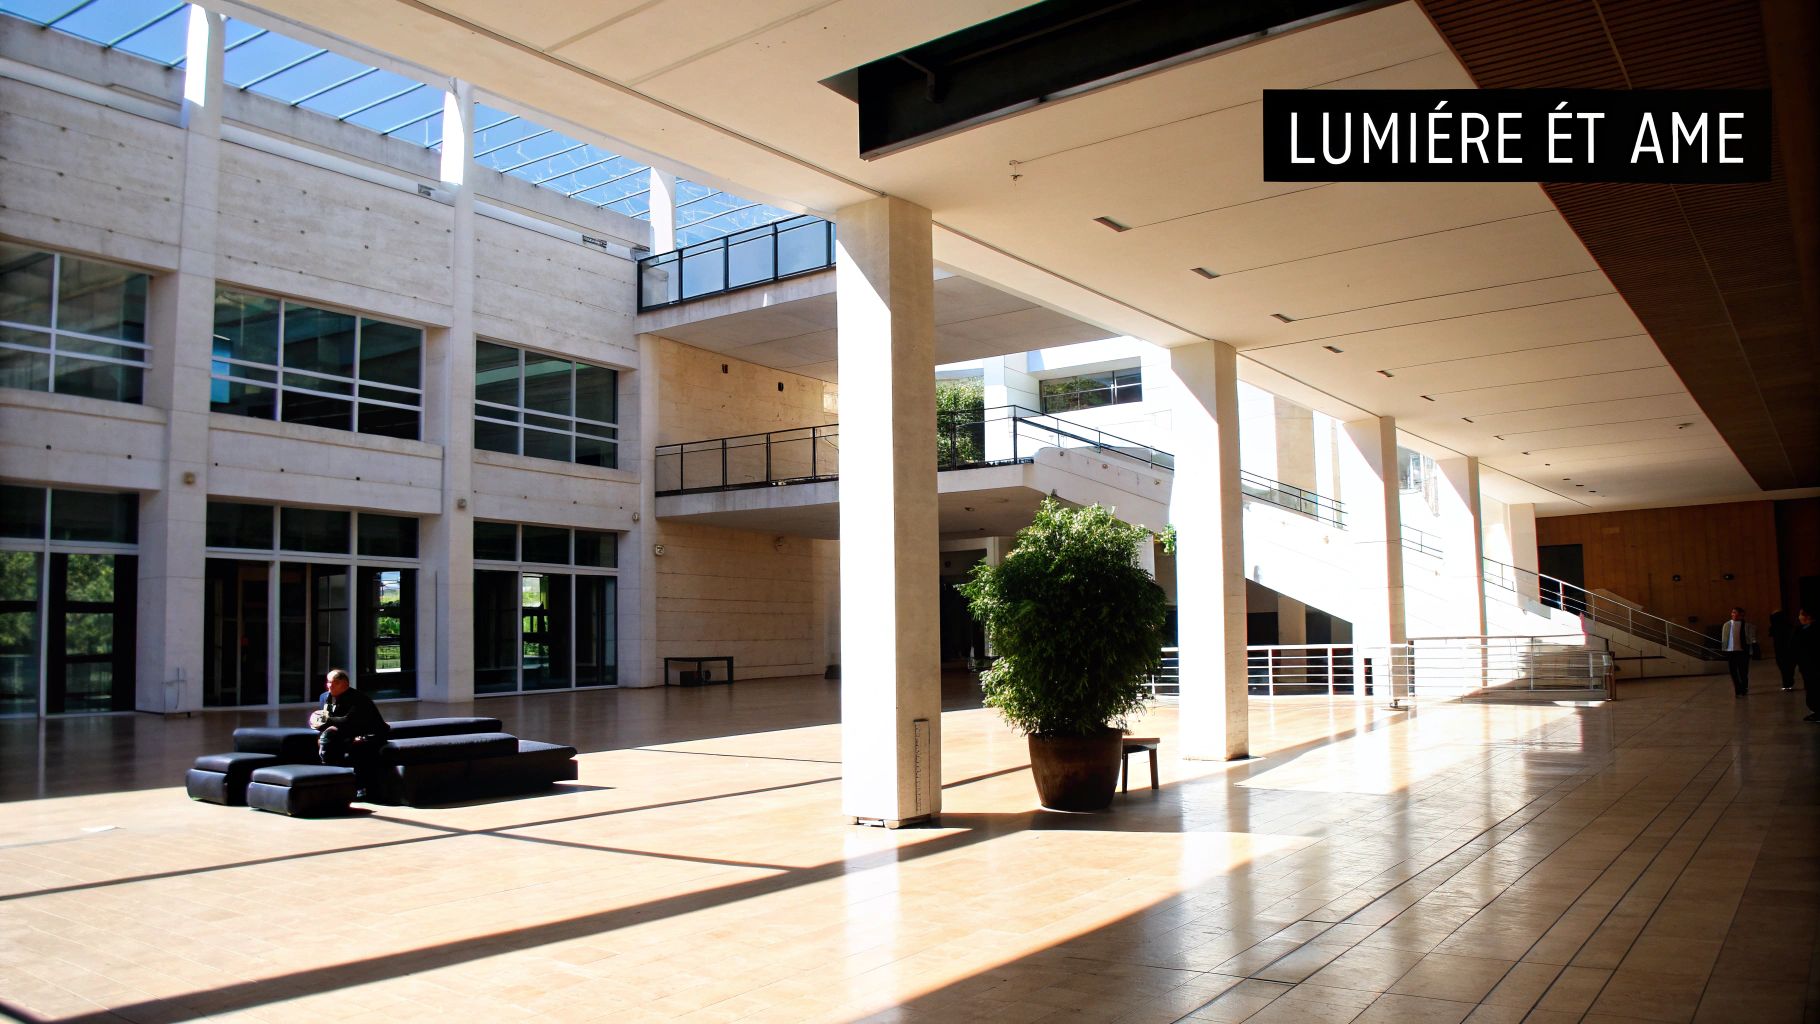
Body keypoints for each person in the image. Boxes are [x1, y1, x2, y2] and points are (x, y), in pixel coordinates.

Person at [309, 668, 390, 798]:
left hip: (367, 733)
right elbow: (325, 719)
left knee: (358, 747)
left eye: (335, 683)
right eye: (329, 682)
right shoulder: (324, 697)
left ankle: (360, 788)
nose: (330, 685)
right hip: (343, 733)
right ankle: (330, 782)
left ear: (345, 684)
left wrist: (326, 721)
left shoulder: (358, 699)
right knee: (327, 740)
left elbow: (349, 720)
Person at [1719, 607, 1755, 697]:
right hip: (1731, 652)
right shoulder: (1726, 625)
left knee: (1743, 672)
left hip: (1743, 652)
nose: (1733, 614)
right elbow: (1724, 639)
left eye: (1736, 613)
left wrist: (1751, 649)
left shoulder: (1747, 625)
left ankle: (1744, 688)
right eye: (1733, 612)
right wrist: (1724, 650)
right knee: (1733, 672)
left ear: (1741, 615)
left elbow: (1751, 639)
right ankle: (1737, 689)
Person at [1798, 610, 1820, 723]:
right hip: (1809, 666)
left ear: (1808, 617)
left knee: (1814, 689)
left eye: (1801, 614)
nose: (1799, 617)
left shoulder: (1810, 630)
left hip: (1812, 666)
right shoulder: (1805, 629)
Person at [1770, 610, 1798, 691]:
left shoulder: (1784, 628)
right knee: (1786, 668)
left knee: (1786, 668)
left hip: (1787, 651)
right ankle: (1788, 683)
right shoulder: (1776, 627)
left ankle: (1787, 683)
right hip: (1782, 651)